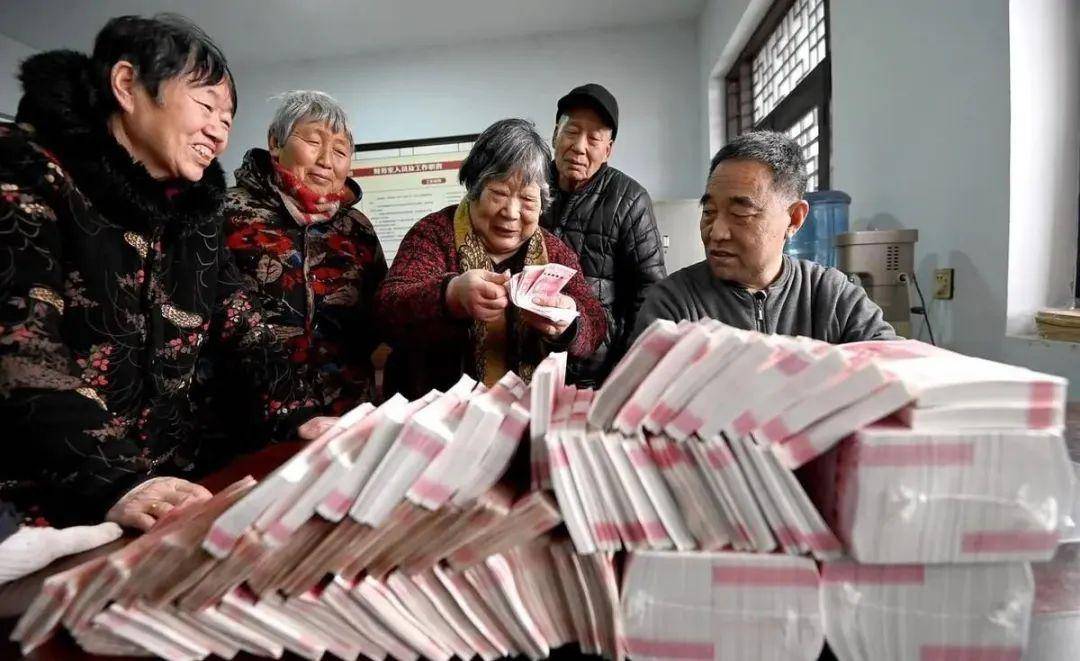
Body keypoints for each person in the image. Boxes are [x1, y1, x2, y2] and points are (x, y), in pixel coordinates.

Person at [0, 14, 319, 534]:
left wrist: (300, 413)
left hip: (160, 487)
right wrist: (113, 478)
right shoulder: (25, 173)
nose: (219, 132)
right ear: (127, 85)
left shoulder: (193, 209)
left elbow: (238, 320)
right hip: (35, 504)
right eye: (206, 106)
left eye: (228, 119)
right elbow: (20, 343)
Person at [195, 91, 386, 451]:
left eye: (340, 151)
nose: (326, 160)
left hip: (343, 419)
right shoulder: (223, 212)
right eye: (313, 142)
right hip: (242, 423)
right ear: (275, 142)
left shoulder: (356, 227)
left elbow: (380, 315)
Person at [374, 118, 606, 398]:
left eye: (528, 200)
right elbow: (387, 312)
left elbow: (595, 324)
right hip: (436, 413)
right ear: (474, 189)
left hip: (526, 413)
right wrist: (450, 296)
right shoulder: (433, 234)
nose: (511, 212)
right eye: (499, 194)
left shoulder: (555, 252)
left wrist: (568, 320)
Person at [633, 130, 897, 342]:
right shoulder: (673, 305)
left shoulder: (831, 295)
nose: (716, 232)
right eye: (709, 212)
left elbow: (894, 370)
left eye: (740, 213)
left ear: (794, 219)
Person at [542, 83, 666, 386]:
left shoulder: (630, 199)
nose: (579, 146)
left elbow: (649, 292)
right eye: (572, 132)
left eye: (594, 139)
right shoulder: (530, 185)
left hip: (597, 371)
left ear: (608, 150)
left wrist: (623, 366)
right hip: (528, 363)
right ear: (555, 134)